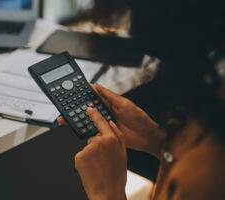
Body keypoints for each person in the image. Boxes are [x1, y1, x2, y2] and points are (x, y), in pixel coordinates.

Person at [57, 0, 225, 199]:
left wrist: (107, 192)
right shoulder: (209, 100)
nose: (135, 29)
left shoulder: (205, 175)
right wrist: (154, 139)